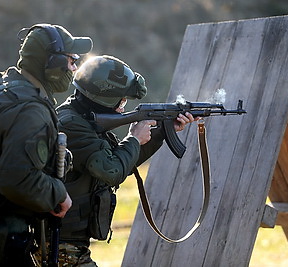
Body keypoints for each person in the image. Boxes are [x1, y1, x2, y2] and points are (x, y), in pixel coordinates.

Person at [0, 24, 92, 266]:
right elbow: (19, 181)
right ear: (51, 62)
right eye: (71, 60)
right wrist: (59, 193)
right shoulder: (30, 111)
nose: (74, 67)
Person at [56, 55, 197, 266]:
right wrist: (133, 138)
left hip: (70, 243)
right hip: (60, 245)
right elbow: (112, 171)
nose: (123, 107)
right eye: (121, 101)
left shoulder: (83, 119)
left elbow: (122, 161)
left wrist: (163, 131)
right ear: (102, 98)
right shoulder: (71, 125)